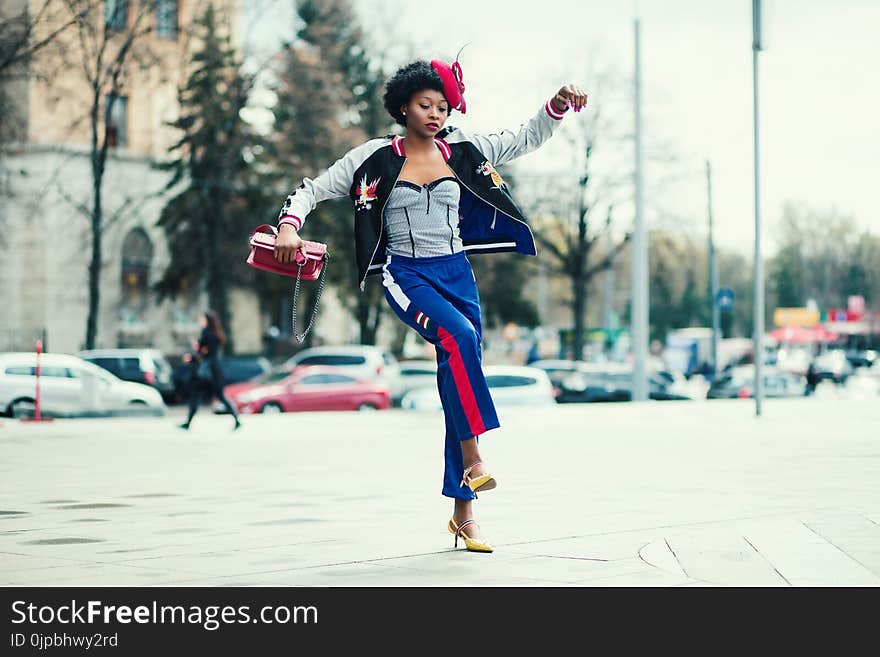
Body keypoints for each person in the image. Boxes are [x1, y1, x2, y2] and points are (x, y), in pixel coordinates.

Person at [272, 57, 588, 552]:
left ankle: (464, 515)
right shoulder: (372, 158)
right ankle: (474, 456)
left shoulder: (463, 149)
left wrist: (557, 105)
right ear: (403, 107)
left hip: (458, 274)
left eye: (443, 106)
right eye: (426, 105)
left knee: (456, 379)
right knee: (459, 338)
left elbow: (525, 136)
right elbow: (311, 190)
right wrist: (288, 226)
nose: (436, 113)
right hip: (407, 274)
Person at [178, 310, 241, 431]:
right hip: (215, 371)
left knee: (196, 395)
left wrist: (191, 357)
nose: (200, 321)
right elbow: (208, 352)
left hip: (205, 373)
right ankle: (236, 418)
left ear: (207, 320)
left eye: (202, 319)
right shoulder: (216, 334)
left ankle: (188, 422)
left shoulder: (206, 333)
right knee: (220, 396)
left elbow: (202, 353)